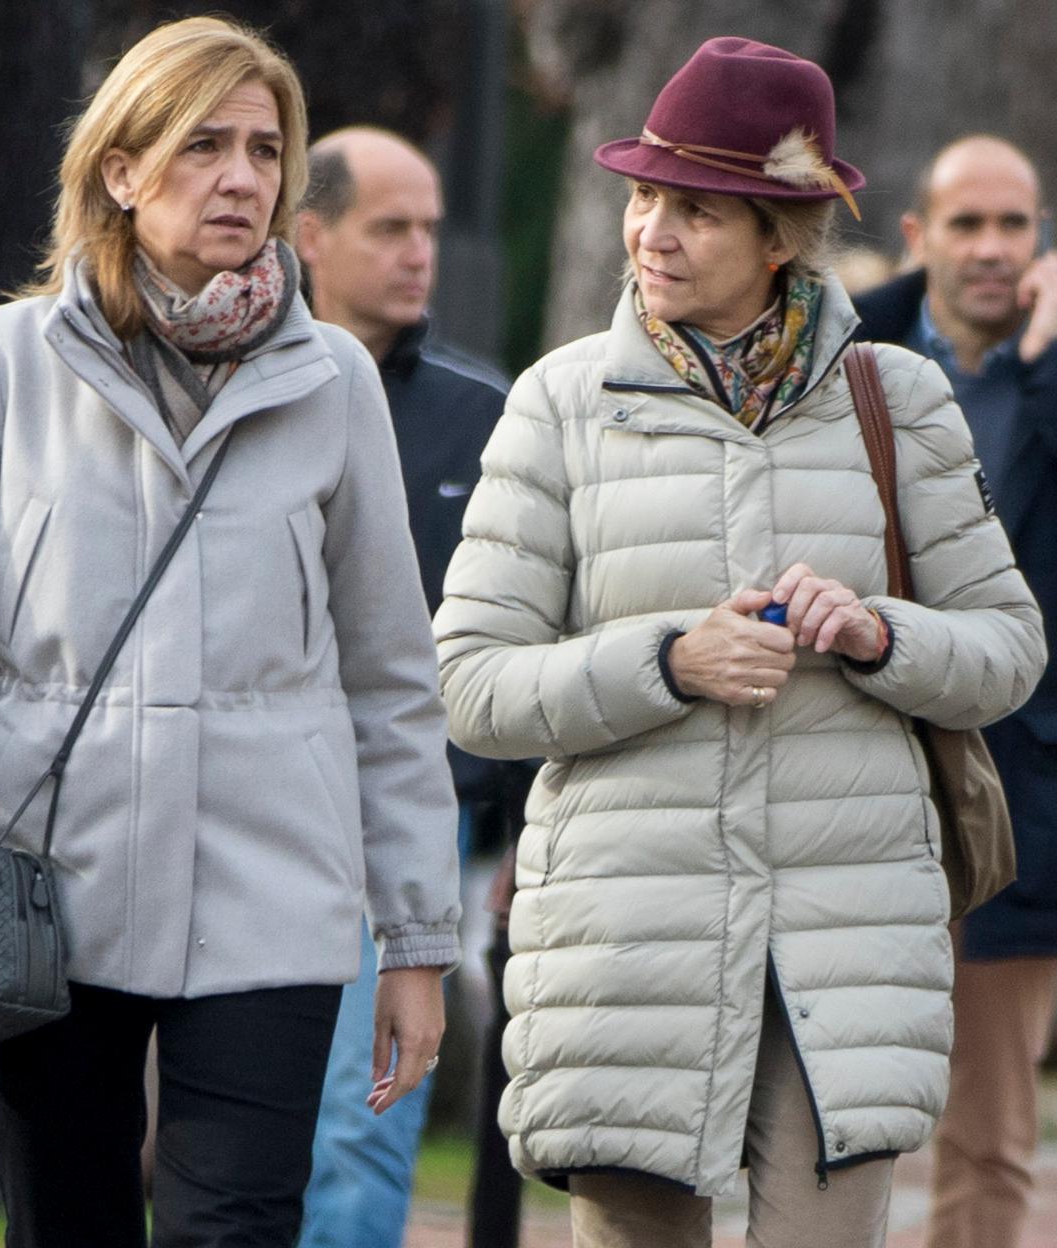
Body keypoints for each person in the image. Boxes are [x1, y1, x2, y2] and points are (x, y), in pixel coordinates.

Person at [0, 17, 461, 1248]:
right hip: (45, 890)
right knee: (68, 1224)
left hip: (274, 895)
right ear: (120, 169)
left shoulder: (332, 383)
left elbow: (391, 677)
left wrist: (420, 939)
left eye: (266, 150)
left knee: (237, 1228)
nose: (241, 177)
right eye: (203, 144)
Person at [432, 37, 1047, 1248]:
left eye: (696, 210)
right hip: (625, 950)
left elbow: (1007, 649)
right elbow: (472, 684)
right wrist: (669, 661)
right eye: (642, 197)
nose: (651, 231)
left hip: (846, 948)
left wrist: (879, 634)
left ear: (783, 237)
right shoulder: (557, 405)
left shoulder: (899, 397)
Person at [294, 126, 525, 1248]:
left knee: (362, 1125)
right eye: (391, 227)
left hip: (410, 832)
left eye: (430, 227)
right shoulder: (243, 389)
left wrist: (526, 832)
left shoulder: (488, 416)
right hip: (250, 814)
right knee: (232, 1136)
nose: (419, 251)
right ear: (309, 235)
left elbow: (533, 628)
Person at [853, 134, 1057, 1248]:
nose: (990, 248)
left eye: (1013, 224)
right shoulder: (849, 358)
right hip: (853, 781)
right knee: (834, 1115)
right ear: (921, 238)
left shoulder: (1047, 374)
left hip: (1018, 805)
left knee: (989, 1131)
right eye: (967, 224)